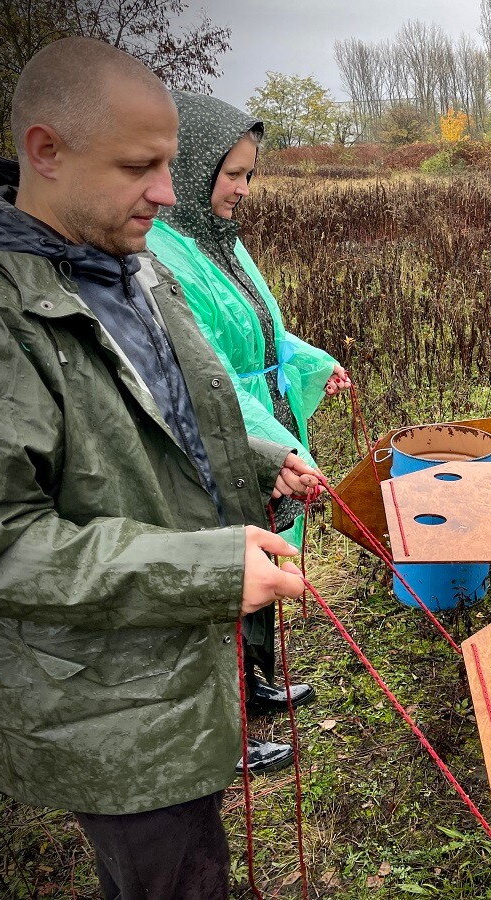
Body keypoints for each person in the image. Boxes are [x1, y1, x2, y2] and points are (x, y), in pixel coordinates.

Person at [0, 37, 319, 899]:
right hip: (106, 702)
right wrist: (200, 570)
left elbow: (163, 415)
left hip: (176, 657)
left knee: (200, 849)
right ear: (45, 151)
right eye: (138, 166)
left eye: (170, 164)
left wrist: (259, 459)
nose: (167, 191)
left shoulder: (131, 258)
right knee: (176, 875)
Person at [147, 91, 348, 774]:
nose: (240, 188)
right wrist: (274, 446)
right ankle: (223, 730)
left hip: (262, 420)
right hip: (222, 434)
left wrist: (316, 363)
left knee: (263, 556)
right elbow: (210, 374)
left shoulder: (222, 243)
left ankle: (255, 682)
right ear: (192, 165)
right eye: (230, 173)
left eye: (248, 175)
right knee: (230, 564)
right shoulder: (164, 254)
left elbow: (264, 331)